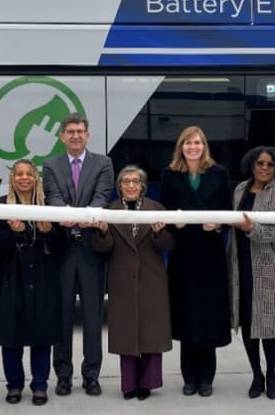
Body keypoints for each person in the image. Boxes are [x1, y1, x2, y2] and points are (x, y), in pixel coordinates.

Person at [42, 112, 115, 396]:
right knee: (60, 316)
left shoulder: (103, 163)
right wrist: (69, 215)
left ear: (87, 135)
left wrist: (88, 214)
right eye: (70, 131)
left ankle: (91, 375)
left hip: (91, 250)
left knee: (93, 316)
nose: (75, 135)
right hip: (62, 250)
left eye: (80, 131)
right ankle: (62, 375)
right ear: (62, 136)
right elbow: (53, 196)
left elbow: (102, 195)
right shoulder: (50, 165)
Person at [159, 125, 232, 397]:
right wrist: (172, 224)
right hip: (183, 253)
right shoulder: (170, 175)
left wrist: (218, 225)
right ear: (181, 147)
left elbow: (228, 213)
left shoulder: (219, 174)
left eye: (198, 142)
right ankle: (189, 377)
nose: (193, 147)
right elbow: (163, 212)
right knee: (186, 314)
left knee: (208, 315)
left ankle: (207, 378)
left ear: (204, 146)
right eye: (188, 143)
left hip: (210, 254)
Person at [0, 159, 67, 406]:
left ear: (36, 178)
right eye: (19, 174)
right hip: (12, 275)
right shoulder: (0, 206)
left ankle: (40, 385)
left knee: (41, 333)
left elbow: (61, 246)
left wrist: (47, 232)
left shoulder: (48, 206)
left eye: (28, 174)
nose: (23, 178)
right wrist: (14, 232)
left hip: (43, 275)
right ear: (12, 178)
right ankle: (14, 385)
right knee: (11, 334)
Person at [92, 166, 173, 401]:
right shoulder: (110, 211)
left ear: (142, 186)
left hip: (152, 278)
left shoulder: (156, 209)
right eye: (125, 181)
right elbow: (102, 249)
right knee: (125, 333)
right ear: (119, 186)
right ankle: (128, 385)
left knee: (151, 333)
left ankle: (147, 383)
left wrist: (159, 234)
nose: (130, 185)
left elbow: (168, 246)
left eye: (135, 181)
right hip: (121, 279)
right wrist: (103, 232)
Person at [227, 146, 275, 400]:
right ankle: (256, 374)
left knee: (268, 325)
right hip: (241, 263)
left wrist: (252, 229)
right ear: (251, 164)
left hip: (270, 266)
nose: (264, 168)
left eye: (270, 164)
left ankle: (272, 373)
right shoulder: (240, 189)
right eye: (260, 163)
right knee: (247, 322)